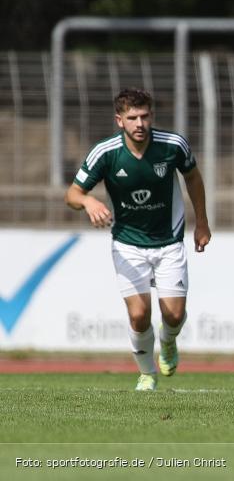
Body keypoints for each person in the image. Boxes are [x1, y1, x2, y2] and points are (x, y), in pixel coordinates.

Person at [65, 88, 211, 391]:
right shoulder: (105, 153)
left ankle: (169, 342)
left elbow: (194, 178)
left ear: (152, 116)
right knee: (139, 313)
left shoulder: (173, 145)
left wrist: (202, 224)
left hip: (169, 240)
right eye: (132, 118)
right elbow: (72, 194)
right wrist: (89, 202)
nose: (140, 123)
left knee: (174, 314)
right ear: (120, 120)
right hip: (127, 243)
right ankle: (147, 374)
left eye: (145, 116)